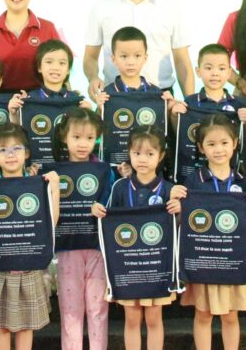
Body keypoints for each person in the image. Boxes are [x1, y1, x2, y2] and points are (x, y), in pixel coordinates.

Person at [171, 115, 246, 350]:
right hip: (204, 260)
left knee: (230, 316)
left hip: (233, 260)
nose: (218, 149)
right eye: (211, 144)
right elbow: (183, 222)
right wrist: (178, 207)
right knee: (203, 315)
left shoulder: (244, 182)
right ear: (201, 148)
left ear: (235, 144)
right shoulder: (192, 181)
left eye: (224, 143)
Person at [92, 126, 181, 350]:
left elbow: (178, 228)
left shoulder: (169, 189)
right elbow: (108, 221)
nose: (142, 159)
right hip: (128, 267)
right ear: (129, 154)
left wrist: (180, 210)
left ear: (161, 156)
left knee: (153, 319)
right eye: (137, 153)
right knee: (131, 319)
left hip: (157, 266)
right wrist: (98, 211)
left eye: (150, 154)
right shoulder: (120, 187)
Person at [0, 123, 61, 350]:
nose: (10, 154)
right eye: (3, 150)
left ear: (27, 153)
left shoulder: (39, 186)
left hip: (29, 269)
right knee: (0, 327)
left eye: (16, 148)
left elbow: (51, 222)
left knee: (26, 327)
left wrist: (54, 189)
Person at [84, 0, 194, 98]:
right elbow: (90, 57)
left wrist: (190, 103)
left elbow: (181, 61)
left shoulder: (171, 9)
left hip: (161, 96)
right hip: (114, 96)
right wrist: (93, 77)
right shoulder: (101, 8)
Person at [52, 108, 114, 350]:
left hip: (97, 248)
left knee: (98, 308)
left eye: (89, 138)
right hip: (68, 248)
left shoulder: (106, 171)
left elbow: (112, 203)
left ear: (97, 138)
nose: (82, 144)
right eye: (76, 137)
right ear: (64, 137)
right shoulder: (53, 172)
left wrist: (104, 208)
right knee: (70, 310)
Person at [93, 27, 186, 175]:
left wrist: (170, 111)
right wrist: (99, 109)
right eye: (124, 56)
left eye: (137, 56)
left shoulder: (158, 95)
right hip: (116, 170)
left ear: (145, 58)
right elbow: (96, 132)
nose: (131, 62)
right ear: (113, 59)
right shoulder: (107, 95)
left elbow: (171, 134)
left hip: (151, 171)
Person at [172, 45, 246, 172]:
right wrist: (174, 116)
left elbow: (245, 139)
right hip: (195, 170)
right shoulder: (189, 103)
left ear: (229, 72)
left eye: (221, 68)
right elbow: (180, 134)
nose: (215, 73)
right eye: (208, 68)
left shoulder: (238, 104)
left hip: (229, 173)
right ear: (198, 71)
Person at [7, 39, 93, 118]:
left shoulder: (77, 100)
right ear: (39, 67)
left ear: (68, 70)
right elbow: (20, 128)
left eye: (62, 63)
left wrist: (89, 115)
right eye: (49, 62)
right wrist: (14, 114)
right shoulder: (29, 99)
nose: (55, 67)